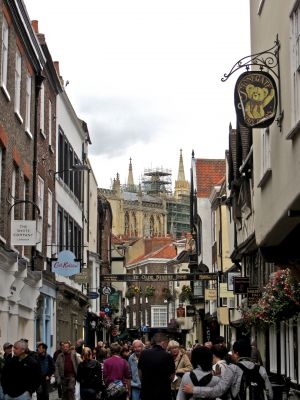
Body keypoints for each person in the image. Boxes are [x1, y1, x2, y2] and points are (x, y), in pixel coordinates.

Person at [182, 339, 273, 400]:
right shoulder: (261, 369)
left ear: (237, 353)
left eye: (232, 352)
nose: (232, 355)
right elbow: (270, 395)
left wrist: (194, 390)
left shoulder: (233, 368)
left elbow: (218, 391)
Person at [138, 333, 175, 400]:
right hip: (163, 394)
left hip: (146, 393)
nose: (167, 346)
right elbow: (172, 377)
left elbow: (140, 373)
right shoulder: (168, 356)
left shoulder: (143, 354)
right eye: (167, 343)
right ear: (163, 343)